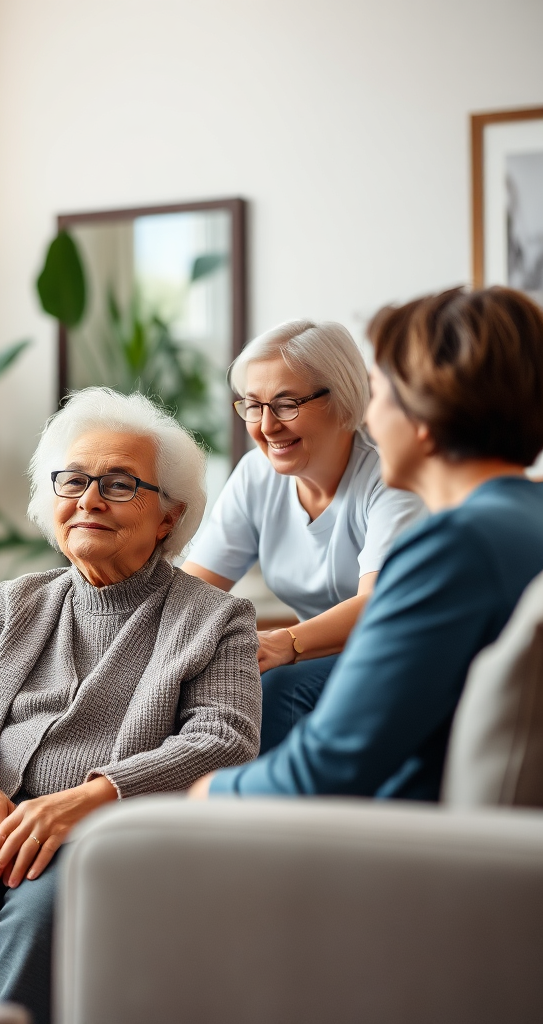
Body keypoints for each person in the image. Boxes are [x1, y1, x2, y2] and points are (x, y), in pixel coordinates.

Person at [0, 387, 262, 1024]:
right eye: (74, 481)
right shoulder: (18, 601)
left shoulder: (217, 618)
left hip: (112, 827)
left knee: (47, 908)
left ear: (167, 516)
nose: (89, 500)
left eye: (119, 484)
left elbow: (224, 738)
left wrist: (90, 798)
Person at [189, 285, 543, 802]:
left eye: (377, 393)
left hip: (406, 838)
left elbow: (325, 768)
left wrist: (206, 795)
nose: (369, 415)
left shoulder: (452, 548)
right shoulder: (521, 520)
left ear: (423, 418)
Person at [181, 320, 424, 752]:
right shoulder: (256, 475)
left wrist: (286, 643)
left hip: (397, 652)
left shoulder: (390, 476)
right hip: (316, 651)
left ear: (343, 396)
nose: (267, 426)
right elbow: (193, 591)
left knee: (278, 689)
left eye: (286, 403)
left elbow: (379, 605)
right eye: (253, 405)